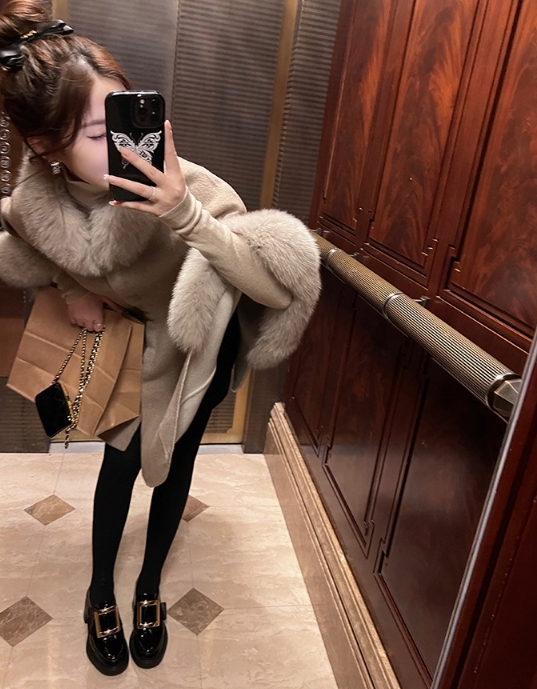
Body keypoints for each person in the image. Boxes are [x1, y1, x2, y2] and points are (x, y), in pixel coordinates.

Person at [0, 0, 320, 677]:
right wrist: (71, 289)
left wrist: (184, 214)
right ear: (45, 148)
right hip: (131, 357)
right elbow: (31, 245)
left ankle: (148, 588)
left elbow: (271, 289)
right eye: (98, 132)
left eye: (125, 118)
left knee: (177, 464)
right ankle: (99, 593)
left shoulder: (189, 186)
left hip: (201, 351)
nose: (125, 146)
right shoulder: (36, 207)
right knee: (118, 467)